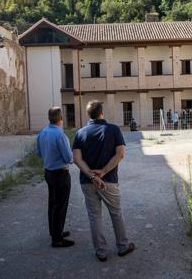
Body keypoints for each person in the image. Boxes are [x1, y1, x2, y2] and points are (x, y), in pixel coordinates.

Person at [72, 100, 136, 262]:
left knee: (94, 216)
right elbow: (120, 154)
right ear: (102, 113)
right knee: (116, 213)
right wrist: (103, 172)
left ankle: (101, 252)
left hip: (87, 182)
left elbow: (76, 159)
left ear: (88, 115)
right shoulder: (113, 129)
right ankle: (123, 246)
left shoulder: (80, 133)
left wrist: (92, 176)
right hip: (109, 181)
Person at [36, 107, 75, 248]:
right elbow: (69, 158)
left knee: (53, 203)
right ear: (61, 118)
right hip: (60, 173)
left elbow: (39, 153)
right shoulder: (60, 135)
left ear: (49, 118)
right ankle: (57, 239)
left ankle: (55, 232)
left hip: (48, 172)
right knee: (60, 205)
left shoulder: (42, 133)